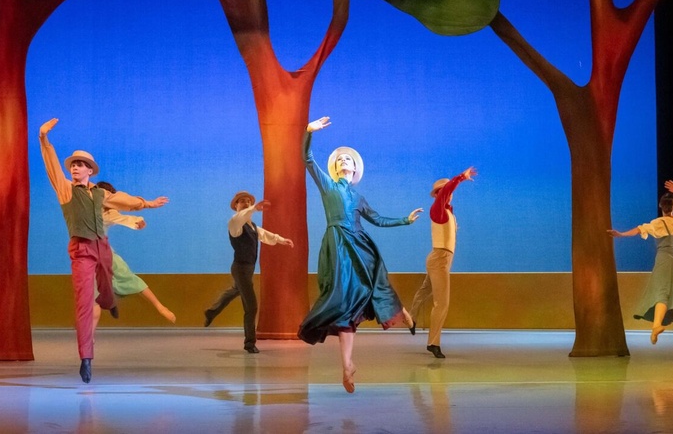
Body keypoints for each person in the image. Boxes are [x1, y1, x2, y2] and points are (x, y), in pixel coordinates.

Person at [300, 115, 423, 393]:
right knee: (345, 304)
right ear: (335, 168)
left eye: (348, 159)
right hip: (338, 246)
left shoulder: (358, 198)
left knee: (376, 283)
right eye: (340, 159)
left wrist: (405, 220)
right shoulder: (328, 186)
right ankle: (347, 365)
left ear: (355, 169)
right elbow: (307, 159)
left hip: (361, 245)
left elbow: (377, 219)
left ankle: (401, 312)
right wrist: (309, 131)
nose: (344, 161)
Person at [38, 118, 119, 383]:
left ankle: (109, 301)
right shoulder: (66, 190)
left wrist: (147, 204)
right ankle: (86, 358)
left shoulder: (100, 194)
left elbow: (125, 201)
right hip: (81, 248)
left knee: (107, 282)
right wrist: (44, 139)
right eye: (73, 164)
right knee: (84, 303)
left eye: (80, 164)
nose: (75, 167)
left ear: (90, 171)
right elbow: (51, 165)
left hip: (102, 247)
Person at [607, 179, 673, 361]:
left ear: (661, 206)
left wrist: (621, 234)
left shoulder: (657, 223)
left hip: (663, 262)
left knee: (662, 294)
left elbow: (639, 229)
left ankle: (656, 326)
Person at [203, 191, 295, 353]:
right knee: (251, 307)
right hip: (240, 268)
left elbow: (266, 235)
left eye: (248, 201)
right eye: (242, 201)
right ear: (236, 206)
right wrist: (254, 208)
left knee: (235, 290)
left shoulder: (253, 227)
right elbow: (240, 218)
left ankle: (211, 312)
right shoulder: (235, 223)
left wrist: (282, 240)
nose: (245, 203)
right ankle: (250, 343)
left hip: (248, 269)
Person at [408, 166, 477, 359]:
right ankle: (433, 343)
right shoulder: (438, 208)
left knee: (425, 290)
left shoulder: (447, 212)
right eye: (445, 191)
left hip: (440, 259)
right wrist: (461, 177)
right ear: (439, 194)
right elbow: (446, 191)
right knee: (442, 303)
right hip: (440, 259)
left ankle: (411, 318)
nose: (449, 194)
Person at [92, 180, 177, 325]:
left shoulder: (109, 212)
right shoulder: (87, 208)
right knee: (95, 290)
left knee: (126, 277)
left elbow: (122, 217)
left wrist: (138, 220)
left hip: (103, 252)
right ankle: (109, 303)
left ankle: (159, 306)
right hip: (89, 254)